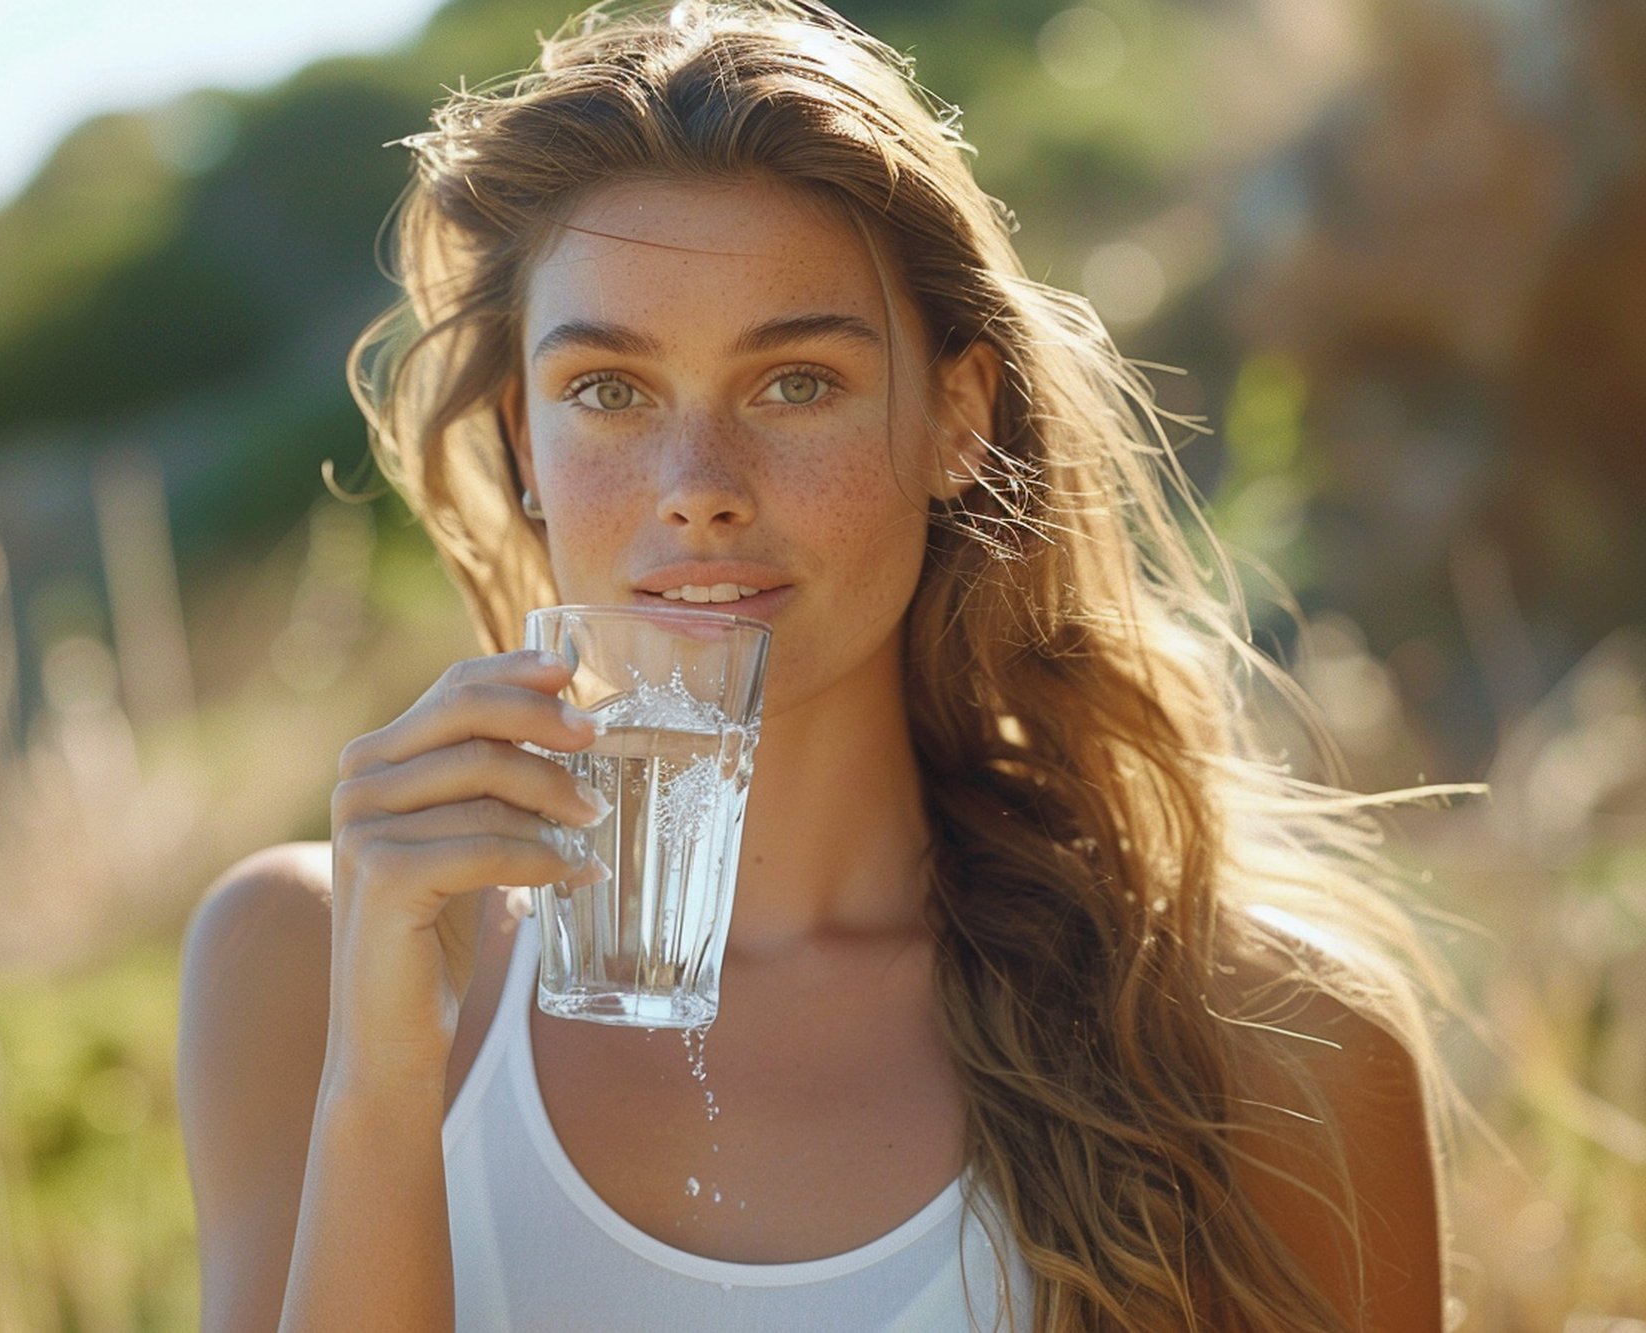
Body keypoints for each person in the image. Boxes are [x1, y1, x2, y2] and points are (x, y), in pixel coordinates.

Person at [176, 2, 1454, 1328]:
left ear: (957, 416)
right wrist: (381, 1086)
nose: (697, 490)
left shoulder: (1267, 1037)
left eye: (796, 382)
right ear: (522, 442)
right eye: (608, 389)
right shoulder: (302, 961)